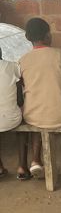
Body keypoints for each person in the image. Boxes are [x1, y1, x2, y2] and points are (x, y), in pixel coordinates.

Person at [18, 17, 61, 182]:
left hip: (34, 115)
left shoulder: (22, 61)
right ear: (48, 35)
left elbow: (24, 87)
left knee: (37, 122)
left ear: (28, 37)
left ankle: (35, 160)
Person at [0, 45, 23, 178]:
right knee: (23, 127)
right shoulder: (12, 66)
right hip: (12, 119)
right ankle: (22, 167)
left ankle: (0, 167)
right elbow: (20, 100)